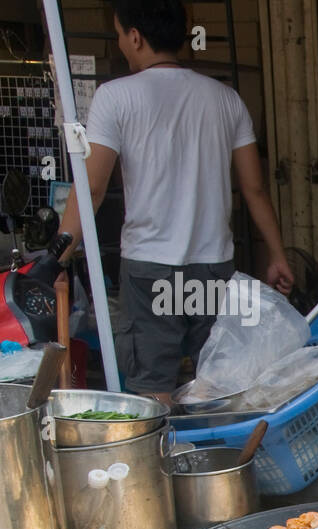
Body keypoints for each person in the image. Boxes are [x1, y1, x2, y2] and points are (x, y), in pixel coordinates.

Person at [58, 0, 293, 402]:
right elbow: (254, 188)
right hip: (212, 270)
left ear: (135, 37)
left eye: (118, 35)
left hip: (151, 273)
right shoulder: (226, 99)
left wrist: (58, 257)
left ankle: (164, 461)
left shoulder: (114, 97)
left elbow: (92, 189)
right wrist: (276, 253)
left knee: (153, 389)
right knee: (216, 384)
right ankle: (216, 460)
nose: (120, 44)